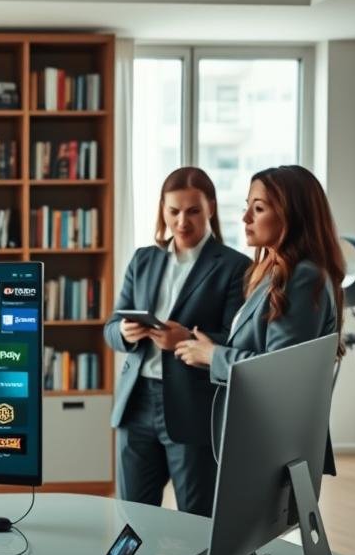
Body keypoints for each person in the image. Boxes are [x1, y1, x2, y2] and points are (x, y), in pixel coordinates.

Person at [175, 165, 343, 474]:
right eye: (246, 207)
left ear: (292, 216)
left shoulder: (302, 277)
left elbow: (276, 371)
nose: (245, 218)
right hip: (258, 435)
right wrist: (213, 344)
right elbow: (260, 343)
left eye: (259, 208)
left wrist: (213, 356)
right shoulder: (273, 272)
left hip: (271, 440)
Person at [104, 167, 250, 516]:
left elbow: (237, 337)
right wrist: (124, 333)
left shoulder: (234, 266)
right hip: (136, 402)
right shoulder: (143, 259)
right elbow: (110, 327)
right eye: (174, 211)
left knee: (195, 520)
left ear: (210, 208)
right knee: (133, 518)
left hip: (192, 405)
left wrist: (185, 339)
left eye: (193, 210)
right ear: (163, 210)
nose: (182, 221)